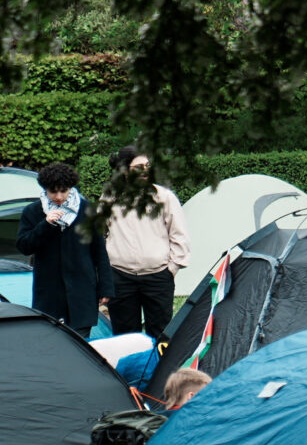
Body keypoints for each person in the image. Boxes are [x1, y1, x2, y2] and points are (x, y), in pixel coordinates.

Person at [97, 145, 187, 340]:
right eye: (139, 167)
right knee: (125, 337)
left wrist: (170, 269)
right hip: (121, 278)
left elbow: (179, 236)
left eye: (147, 165)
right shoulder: (110, 198)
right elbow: (99, 234)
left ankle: (160, 371)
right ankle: (128, 372)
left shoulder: (164, 197)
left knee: (161, 335)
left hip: (158, 277)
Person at [18, 163, 113, 338]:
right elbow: (24, 246)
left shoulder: (88, 210)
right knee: (50, 343)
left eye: (64, 191)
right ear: (45, 189)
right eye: (53, 192)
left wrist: (105, 287)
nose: (59, 197)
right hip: (49, 294)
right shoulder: (33, 212)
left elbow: (99, 251)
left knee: (81, 345)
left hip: (82, 292)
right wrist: (45, 225)